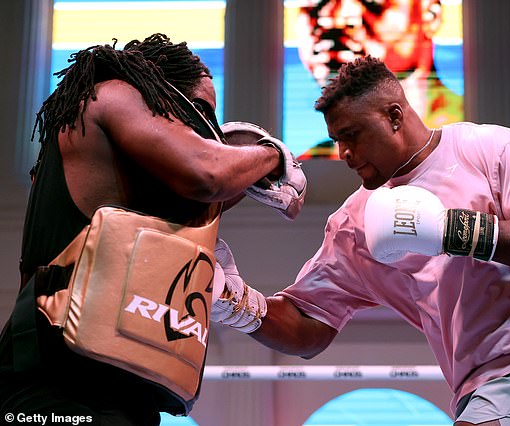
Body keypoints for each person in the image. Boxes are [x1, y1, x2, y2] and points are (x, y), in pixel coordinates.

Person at [212, 56, 510, 425]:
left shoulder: (495, 150)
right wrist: (233, 300)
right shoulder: (356, 221)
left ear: (394, 116)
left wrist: (450, 230)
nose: (345, 153)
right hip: (481, 390)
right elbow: (307, 327)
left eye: (352, 134)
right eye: (336, 139)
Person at [0, 34, 304, 425]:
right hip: (57, 381)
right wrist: (270, 154)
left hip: (121, 388)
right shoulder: (111, 95)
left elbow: (204, 187)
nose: (203, 130)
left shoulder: (133, 174)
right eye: (199, 112)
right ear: (157, 88)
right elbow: (208, 173)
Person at [294, 0, 510, 159]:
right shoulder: (315, 160)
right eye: (316, 3)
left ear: (430, 14)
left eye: (372, 2)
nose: (338, 18)